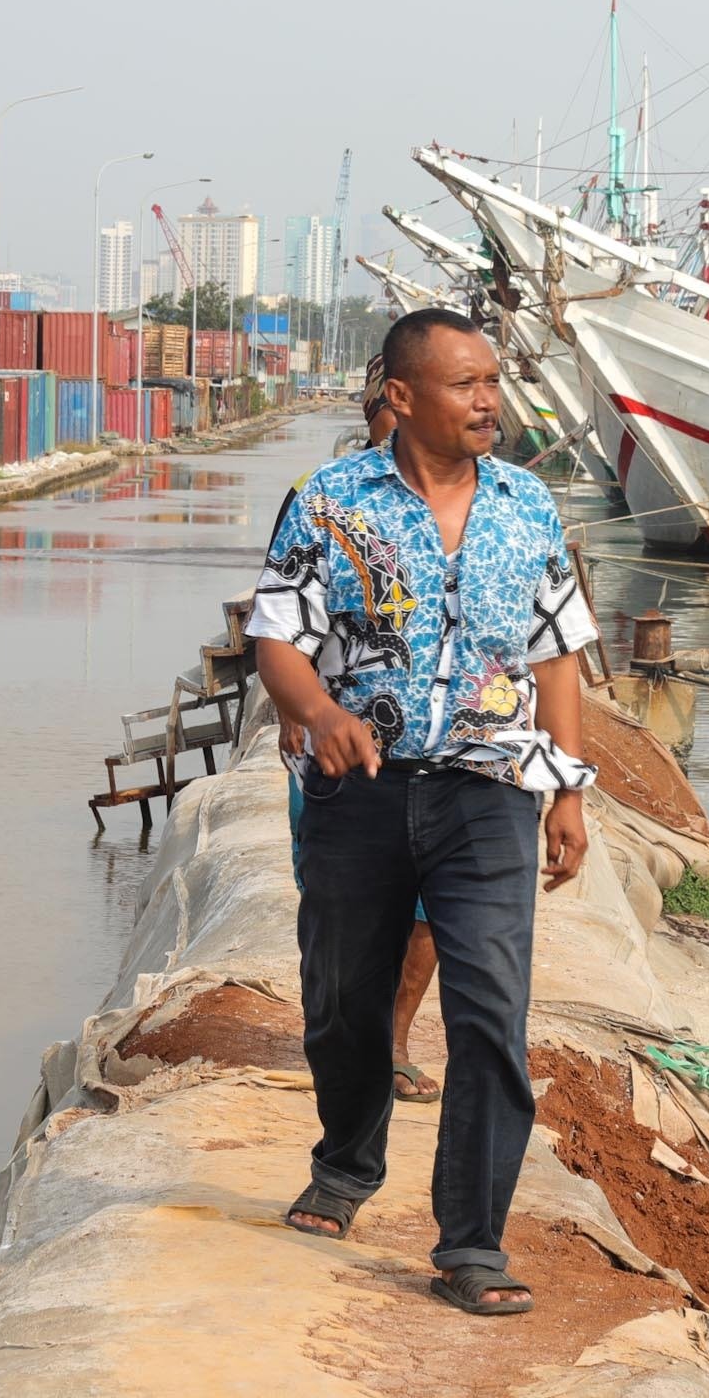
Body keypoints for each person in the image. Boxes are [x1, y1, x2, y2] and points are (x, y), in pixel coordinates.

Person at [248, 307, 597, 1317]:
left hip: (489, 787)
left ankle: (472, 1241)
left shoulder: (528, 505)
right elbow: (278, 634)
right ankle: (347, 1161)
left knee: (491, 1011)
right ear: (402, 395)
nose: (490, 399)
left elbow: (556, 649)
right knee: (346, 999)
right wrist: (315, 711)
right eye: (467, 383)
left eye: (495, 380)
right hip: (357, 784)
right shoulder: (329, 501)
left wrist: (566, 785)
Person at [285, 354, 441, 1103]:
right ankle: (345, 1041)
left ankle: (395, 1039)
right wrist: (300, 711)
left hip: (442, 757)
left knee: (428, 913)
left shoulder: (484, 503)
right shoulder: (322, 498)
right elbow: (281, 622)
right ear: (383, 408)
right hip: (341, 748)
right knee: (339, 911)